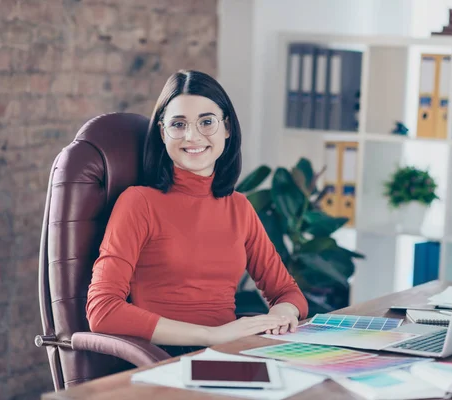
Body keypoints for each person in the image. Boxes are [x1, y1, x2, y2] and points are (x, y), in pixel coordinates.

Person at [86, 70, 308, 357]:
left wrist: (281, 315)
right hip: (165, 358)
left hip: (231, 353)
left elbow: (288, 293)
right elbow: (102, 310)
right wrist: (211, 335)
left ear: (227, 128)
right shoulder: (139, 203)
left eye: (206, 122)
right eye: (178, 124)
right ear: (163, 133)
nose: (192, 136)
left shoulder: (238, 207)